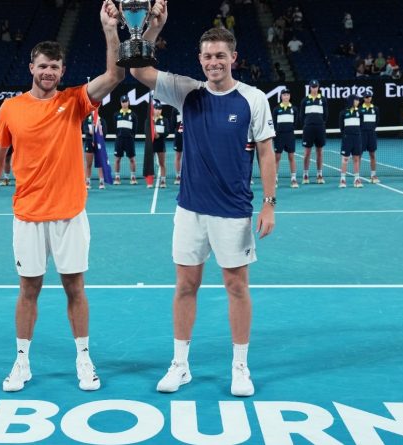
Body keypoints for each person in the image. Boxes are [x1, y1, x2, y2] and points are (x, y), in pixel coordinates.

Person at [0, 0, 126, 392]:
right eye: (42, 65)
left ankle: (83, 358)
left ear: (62, 71)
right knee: (28, 289)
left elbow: (114, 75)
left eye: (55, 67)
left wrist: (110, 31)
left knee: (75, 288)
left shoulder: (74, 101)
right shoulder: (10, 108)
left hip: (69, 214)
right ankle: (22, 362)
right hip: (27, 214)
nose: (48, 72)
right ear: (32, 68)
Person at [130, 8, 276, 397]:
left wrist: (269, 203)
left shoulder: (253, 99)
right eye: (207, 56)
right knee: (185, 286)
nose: (214, 62)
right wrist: (154, 27)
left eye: (220, 56)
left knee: (236, 287)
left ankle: (240, 367)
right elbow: (140, 72)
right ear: (200, 60)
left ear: (233, 59)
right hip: (190, 210)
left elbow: (265, 152)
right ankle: (180, 365)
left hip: (234, 212)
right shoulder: (187, 91)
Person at [298, 79, 328, 184]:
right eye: (312, 87)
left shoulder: (323, 100)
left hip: (320, 128)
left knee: (319, 152)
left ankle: (319, 175)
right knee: (307, 153)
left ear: (318, 87)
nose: (314, 89)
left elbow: (325, 115)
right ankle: (305, 175)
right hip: (308, 129)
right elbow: (301, 116)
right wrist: (308, 123)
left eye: (316, 87)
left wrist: (319, 122)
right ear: (310, 87)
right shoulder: (305, 101)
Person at [272, 89, 299, 188]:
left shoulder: (294, 109)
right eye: (284, 95)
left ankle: (293, 179)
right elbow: (273, 122)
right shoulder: (276, 109)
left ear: (289, 96)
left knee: (291, 157)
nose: (286, 96)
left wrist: (290, 129)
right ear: (281, 96)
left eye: (287, 94)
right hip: (279, 136)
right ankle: (274, 179)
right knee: (277, 158)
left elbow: (296, 122)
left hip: (290, 136)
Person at [338, 94, 363, 188]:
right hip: (347, 138)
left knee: (356, 158)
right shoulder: (343, 113)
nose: (358, 102)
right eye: (356, 100)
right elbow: (341, 127)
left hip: (357, 138)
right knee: (345, 159)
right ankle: (342, 179)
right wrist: (347, 135)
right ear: (352, 101)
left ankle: (357, 179)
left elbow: (361, 125)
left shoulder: (360, 112)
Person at [113, 94, 138, 185]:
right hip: (119, 140)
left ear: (128, 102)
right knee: (117, 159)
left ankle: (133, 177)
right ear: (121, 103)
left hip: (129, 140)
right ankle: (117, 177)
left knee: (132, 159)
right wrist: (119, 134)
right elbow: (115, 127)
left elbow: (135, 128)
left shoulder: (133, 115)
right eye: (123, 102)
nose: (124, 104)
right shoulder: (116, 114)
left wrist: (131, 135)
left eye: (126, 102)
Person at [82, 112, 107, 189]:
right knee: (88, 164)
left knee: (100, 164)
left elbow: (105, 132)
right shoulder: (86, 120)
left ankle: (101, 181)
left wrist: (98, 133)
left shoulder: (101, 121)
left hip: (99, 143)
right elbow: (85, 130)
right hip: (89, 143)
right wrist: (91, 132)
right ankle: (87, 181)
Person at [359, 92, 380, 183]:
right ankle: (357, 177)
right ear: (364, 98)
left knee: (372, 155)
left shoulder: (375, 109)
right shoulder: (359, 110)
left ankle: (373, 175)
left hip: (372, 134)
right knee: (359, 155)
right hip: (362, 135)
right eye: (366, 97)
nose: (368, 98)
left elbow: (377, 121)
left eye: (369, 97)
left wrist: (371, 129)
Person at [152, 100, 168, 188]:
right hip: (152, 144)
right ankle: (150, 180)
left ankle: (163, 180)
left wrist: (159, 135)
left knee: (162, 163)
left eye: (159, 109)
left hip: (161, 143)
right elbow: (146, 131)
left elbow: (167, 131)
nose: (158, 110)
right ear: (153, 109)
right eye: (156, 108)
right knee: (150, 163)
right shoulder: (150, 120)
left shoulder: (164, 120)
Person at [171, 108, 183, 184]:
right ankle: (178, 176)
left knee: (190, 156)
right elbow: (173, 123)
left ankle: (189, 176)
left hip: (190, 134)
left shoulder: (190, 105)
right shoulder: (175, 109)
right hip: (179, 135)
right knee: (178, 156)